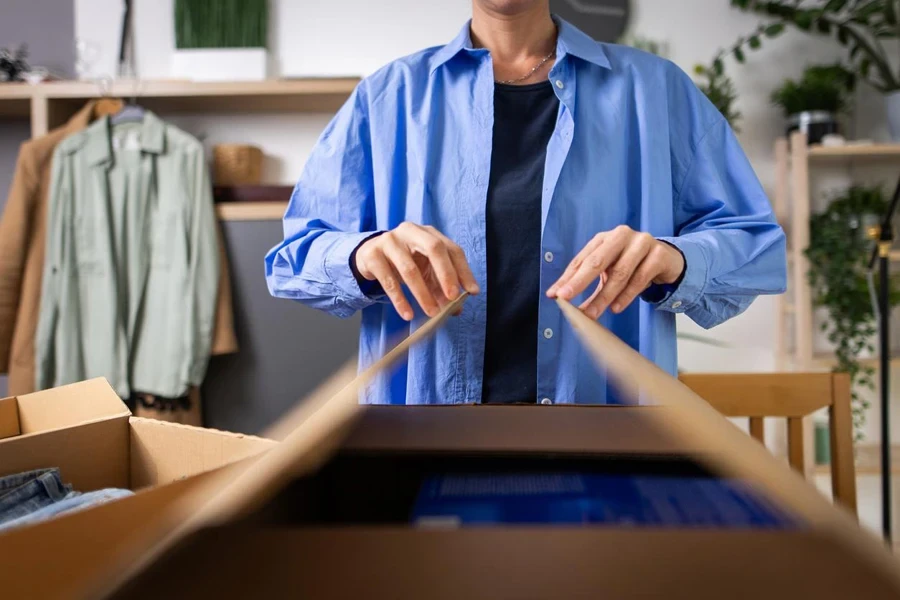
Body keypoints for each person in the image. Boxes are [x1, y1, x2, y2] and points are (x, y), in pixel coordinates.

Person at [265, 0, 786, 406]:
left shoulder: (655, 91)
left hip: (608, 436)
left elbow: (756, 248)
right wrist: (361, 256)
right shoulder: (388, 96)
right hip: (421, 432)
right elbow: (294, 259)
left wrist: (676, 259)